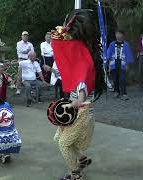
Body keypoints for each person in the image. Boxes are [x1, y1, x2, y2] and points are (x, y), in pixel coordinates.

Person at [50, 9, 105, 180]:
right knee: (59, 138)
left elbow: (81, 95)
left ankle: (75, 175)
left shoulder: (83, 63)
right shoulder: (83, 57)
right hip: (80, 111)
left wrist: (70, 104)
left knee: (64, 144)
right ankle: (81, 160)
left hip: (82, 112)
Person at [107, 30, 134, 100]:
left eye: (119, 34)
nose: (118, 35)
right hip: (113, 63)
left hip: (122, 64)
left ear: (123, 35)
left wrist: (127, 65)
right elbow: (109, 53)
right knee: (115, 79)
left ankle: (124, 93)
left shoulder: (126, 44)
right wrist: (108, 62)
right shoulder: (112, 44)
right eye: (117, 34)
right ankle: (116, 92)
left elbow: (128, 55)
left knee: (122, 79)